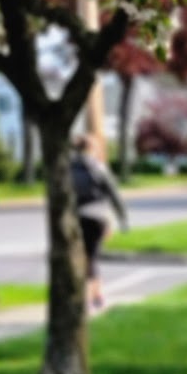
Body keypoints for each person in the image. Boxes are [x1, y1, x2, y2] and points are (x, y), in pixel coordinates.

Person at [70, 131, 128, 311]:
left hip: (78, 215)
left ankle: (93, 294)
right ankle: (94, 295)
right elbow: (113, 193)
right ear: (91, 148)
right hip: (98, 216)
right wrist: (122, 217)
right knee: (92, 256)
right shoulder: (98, 167)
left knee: (85, 256)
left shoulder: (69, 168)